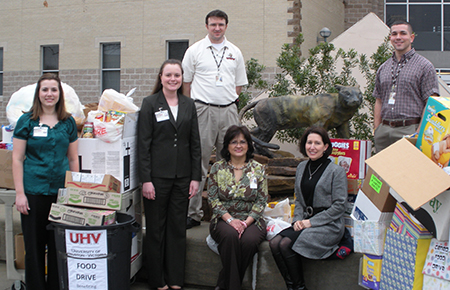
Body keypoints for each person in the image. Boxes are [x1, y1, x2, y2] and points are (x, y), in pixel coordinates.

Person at [138, 59, 201, 290]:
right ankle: (158, 280)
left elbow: (195, 143)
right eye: (168, 75)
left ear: (182, 77)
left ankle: (175, 279)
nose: (173, 79)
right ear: (161, 77)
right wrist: (146, 179)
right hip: (156, 179)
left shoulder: (188, 105)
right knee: (156, 230)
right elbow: (142, 145)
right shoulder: (150, 104)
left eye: (177, 75)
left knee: (177, 230)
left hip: (183, 178)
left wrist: (195, 177)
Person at [12, 73, 79, 290]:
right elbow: (17, 159)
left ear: (59, 94)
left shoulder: (68, 122)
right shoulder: (26, 121)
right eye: (45, 90)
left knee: (58, 246)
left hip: (60, 194)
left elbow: (72, 159)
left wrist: (74, 192)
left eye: (53, 90)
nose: (49, 94)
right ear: (38, 94)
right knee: (34, 248)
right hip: (33, 192)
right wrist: (20, 194)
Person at [182, 9, 248, 229]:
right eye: (213, 25)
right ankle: (193, 213)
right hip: (203, 110)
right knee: (198, 161)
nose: (217, 28)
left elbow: (238, 84)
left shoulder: (235, 52)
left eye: (221, 24)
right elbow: (186, 83)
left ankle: (228, 214)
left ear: (226, 26)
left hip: (229, 110)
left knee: (231, 163)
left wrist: (229, 101)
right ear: (207, 26)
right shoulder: (195, 51)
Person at [269, 126, 347, 290]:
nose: (312, 147)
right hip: (304, 221)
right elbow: (299, 201)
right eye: (309, 142)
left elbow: (340, 206)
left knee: (285, 244)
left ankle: (299, 287)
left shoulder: (336, 171)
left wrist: (310, 223)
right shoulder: (301, 167)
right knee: (275, 242)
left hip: (328, 225)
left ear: (325, 147)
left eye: (317, 143)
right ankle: (292, 286)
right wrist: (298, 220)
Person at [208, 125, 268, 290]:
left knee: (249, 241)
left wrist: (245, 223)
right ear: (227, 145)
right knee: (230, 236)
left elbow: (261, 201)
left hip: (251, 219)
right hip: (223, 219)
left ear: (248, 145)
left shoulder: (258, 169)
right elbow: (213, 199)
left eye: (242, 141)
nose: (238, 145)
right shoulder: (217, 168)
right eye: (234, 142)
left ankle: (223, 284)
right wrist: (231, 220)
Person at [373, 20, 439, 153]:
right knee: (383, 172)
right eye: (394, 34)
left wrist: (419, 133)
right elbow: (379, 100)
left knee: (407, 172)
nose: (398, 37)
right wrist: (377, 129)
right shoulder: (383, 68)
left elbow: (431, 102)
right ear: (390, 38)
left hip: (410, 129)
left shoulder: (424, 66)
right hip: (384, 132)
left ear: (411, 37)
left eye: (403, 33)